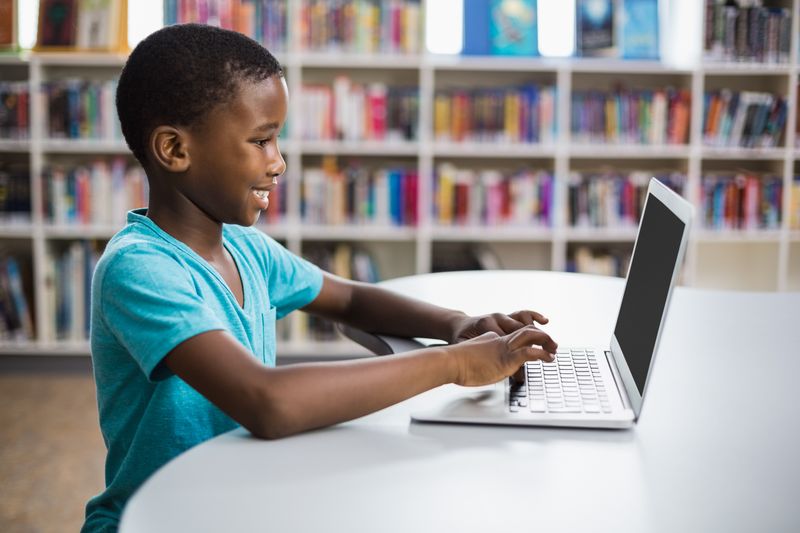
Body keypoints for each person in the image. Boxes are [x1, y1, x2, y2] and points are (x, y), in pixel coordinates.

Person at [82, 23, 557, 532]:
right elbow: (267, 401)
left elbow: (350, 300)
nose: (279, 162)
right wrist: (455, 364)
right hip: (158, 520)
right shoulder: (140, 269)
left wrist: (458, 324)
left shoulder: (244, 246)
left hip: (237, 500)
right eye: (261, 140)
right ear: (175, 150)